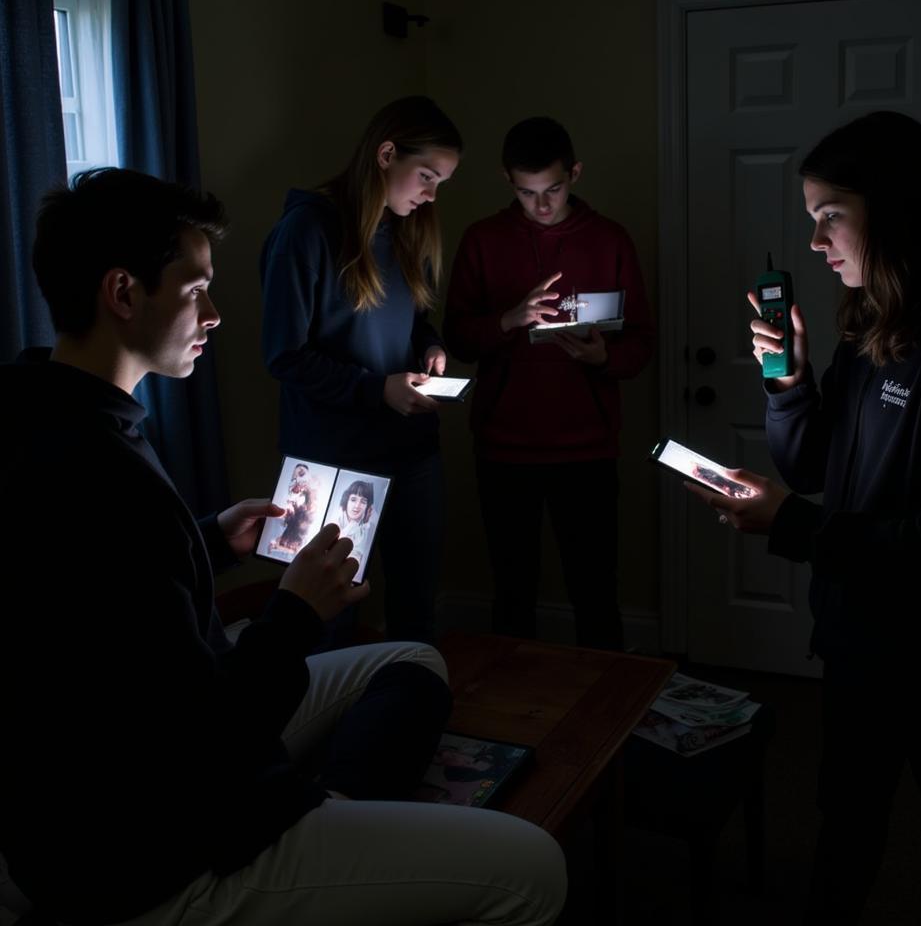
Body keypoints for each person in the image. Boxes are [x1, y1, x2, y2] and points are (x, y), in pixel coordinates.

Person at [0, 168, 567, 926]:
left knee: (409, 661)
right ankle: (315, 844)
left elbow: (112, 592)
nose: (215, 313)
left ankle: (332, 822)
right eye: (197, 289)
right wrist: (295, 610)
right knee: (536, 870)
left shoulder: (45, 410)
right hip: (157, 861)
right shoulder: (99, 473)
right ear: (124, 293)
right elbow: (207, 737)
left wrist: (209, 540)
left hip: (137, 785)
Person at [686, 112, 921, 924]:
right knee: (847, 821)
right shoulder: (875, 311)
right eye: (812, 220)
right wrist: (788, 383)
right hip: (858, 630)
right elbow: (810, 466)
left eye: (830, 215)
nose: (814, 243)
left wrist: (795, 529)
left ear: (897, 208)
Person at [444, 116, 654, 650]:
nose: (540, 205)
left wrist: (604, 355)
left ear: (575, 173)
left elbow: (642, 347)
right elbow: (458, 340)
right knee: (512, 595)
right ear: (507, 181)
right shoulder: (483, 240)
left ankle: (605, 718)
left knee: (595, 595)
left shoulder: (610, 241)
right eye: (526, 192)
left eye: (553, 190)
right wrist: (509, 320)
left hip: (587, 451)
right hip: (503, 451)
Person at [261, 96, 461, 645]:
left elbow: (418, 317)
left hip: (412, 453)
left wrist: (431, 347)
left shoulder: (406, 228)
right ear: (386, 153)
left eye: (441, 182)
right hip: (331, 463)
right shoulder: (306, 232)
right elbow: (283, 355)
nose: (430, 194)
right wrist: (376, 390)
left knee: (416, 612)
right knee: (327, 623)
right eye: (426, 176)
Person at [331, 478, 376, 565]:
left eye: (363, 502)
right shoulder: (335, 521)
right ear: (346, 500)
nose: (357, 506)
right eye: (353, 500)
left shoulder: (367, 528)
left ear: (367, 506)